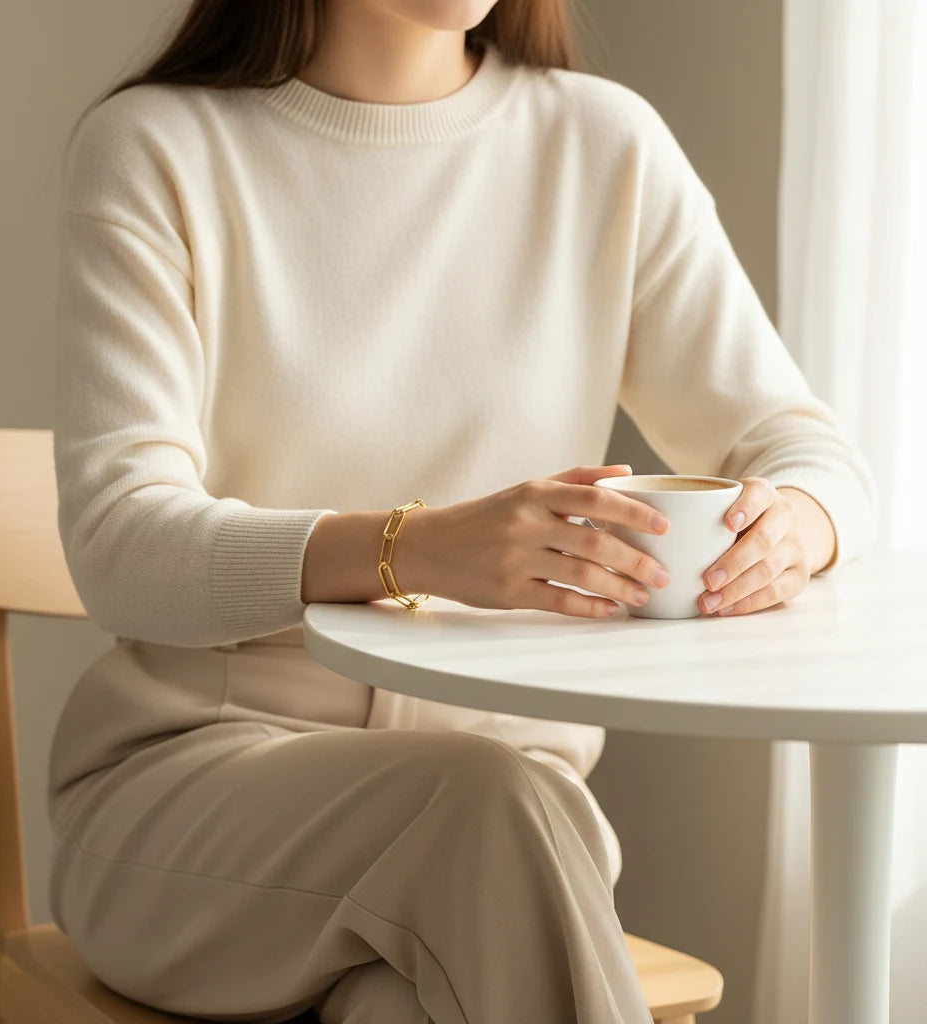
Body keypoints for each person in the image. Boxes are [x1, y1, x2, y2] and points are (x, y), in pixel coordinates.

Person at [46, 1, 876, 1022]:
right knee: (482, 809)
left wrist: (794, 522)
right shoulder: (159, 149)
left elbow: (808, 453)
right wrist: (419, 548)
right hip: (199, 808)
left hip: (509, 835)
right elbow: (119, 544)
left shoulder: (602, 146)